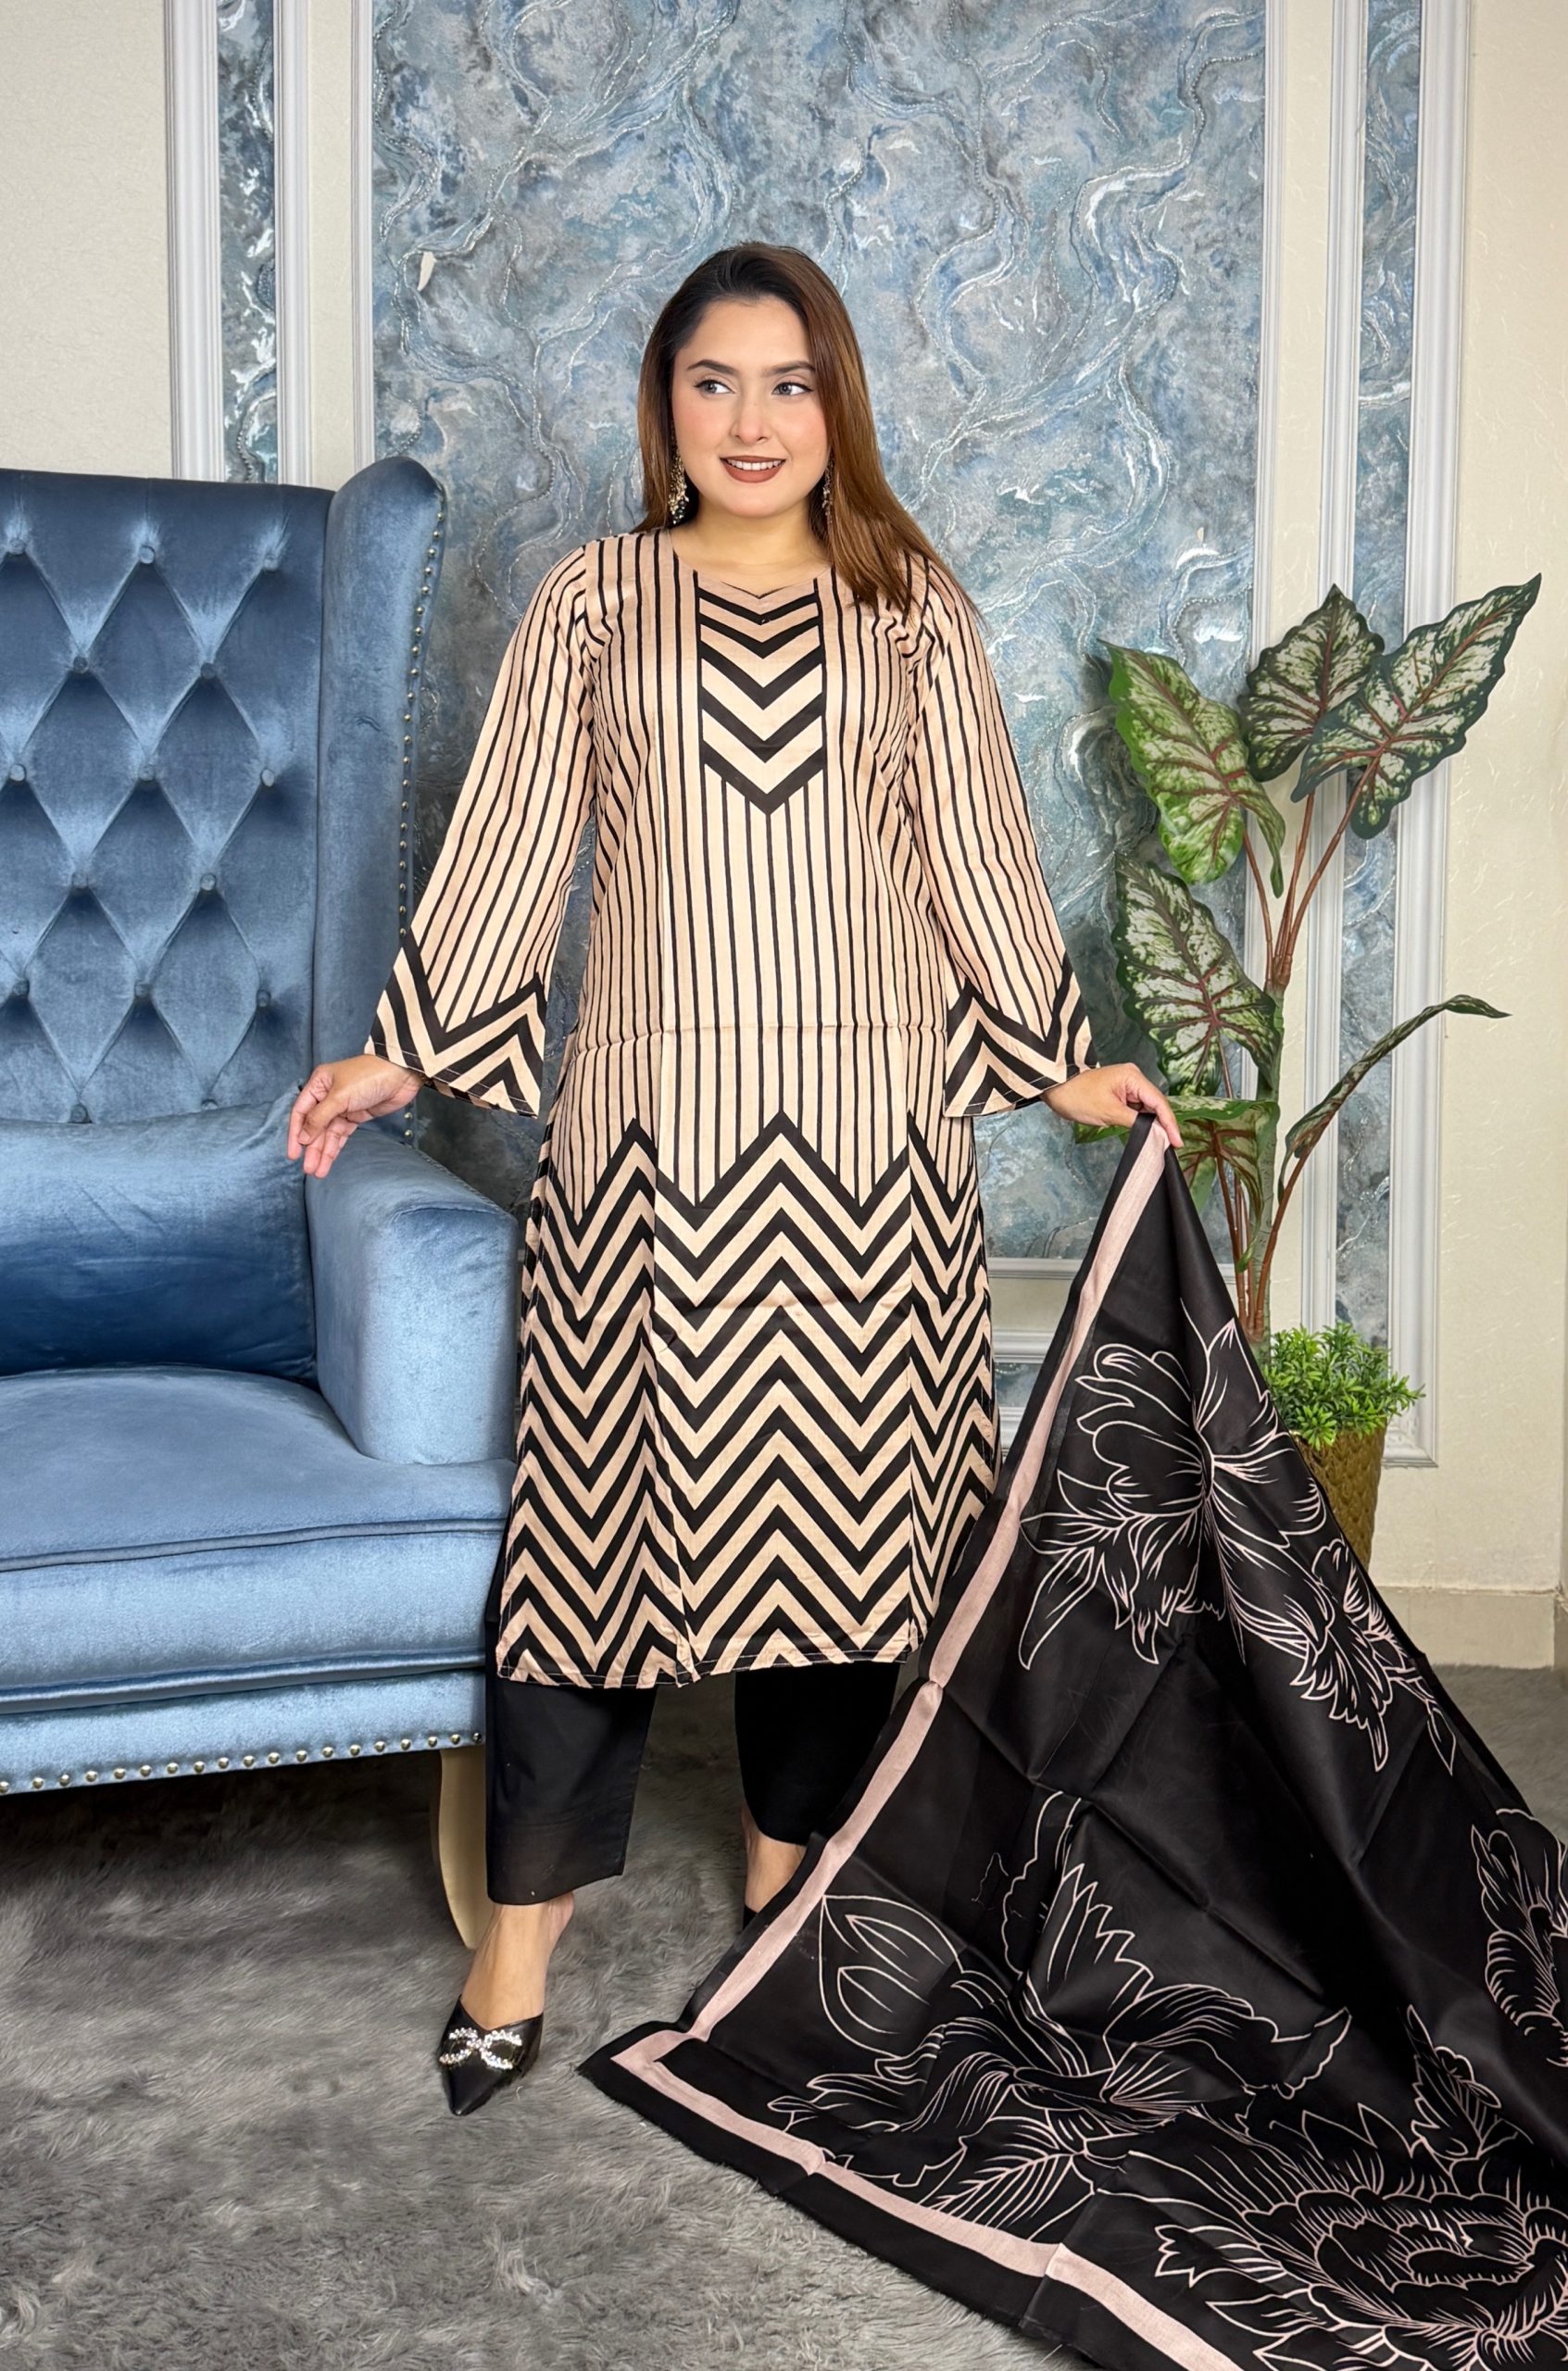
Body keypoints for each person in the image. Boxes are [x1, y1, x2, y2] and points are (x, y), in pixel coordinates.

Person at [286, 241, 1181, 2118]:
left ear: (835, 402)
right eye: (713, 381)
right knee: (593, 1543)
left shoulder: (910, 610)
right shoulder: (593, 602)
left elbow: (977, 857)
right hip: (646, 1139)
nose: (751, 420)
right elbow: (511, 836)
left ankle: (790, 1889)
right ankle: (517, 1937)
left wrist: (1051, 1055)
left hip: (870, 1147)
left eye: (788, 383)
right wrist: (408, 1045)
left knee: (849, 1537)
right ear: (664, 401)